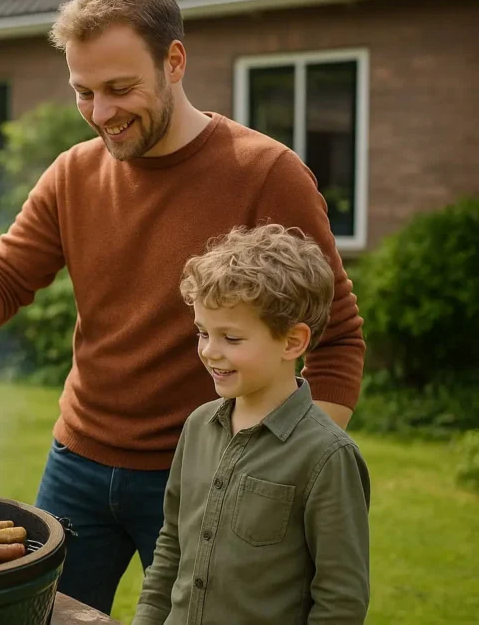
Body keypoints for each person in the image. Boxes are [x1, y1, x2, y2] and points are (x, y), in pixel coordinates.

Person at [0, 0, 365, 615]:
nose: (100, 113)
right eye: (83, 92)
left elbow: (337, 336)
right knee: (42, 615)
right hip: (78, 463)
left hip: (205, 466)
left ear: (174, 61)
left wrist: (282, 466)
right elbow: (3, 274)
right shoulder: (74, 172)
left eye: (120, 89)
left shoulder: (266, 174)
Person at [133, 224, 370, 624]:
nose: (209, 351)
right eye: (203, 332)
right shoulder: (197, 427)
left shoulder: (328, 456)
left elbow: (340, 601)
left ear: (293, 342)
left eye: (232, 338)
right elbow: (170, 548)